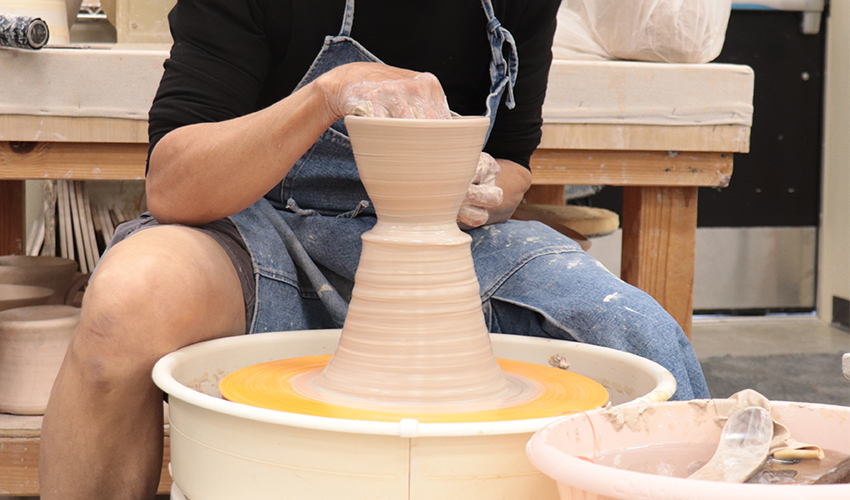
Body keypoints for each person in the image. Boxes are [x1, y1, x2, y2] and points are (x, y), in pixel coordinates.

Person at [39, 0, 710, 498]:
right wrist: (329, 96)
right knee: (126, 306)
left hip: (446, 241)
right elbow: (174, 183)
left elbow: (513, 160)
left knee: (637, 333)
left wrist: (489, 188)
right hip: (265, 230)